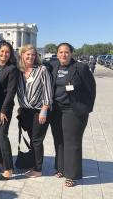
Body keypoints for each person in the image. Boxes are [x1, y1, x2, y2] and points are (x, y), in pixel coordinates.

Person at [49, 43, 96, 187]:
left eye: (67, 52)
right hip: (56, 109)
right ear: (57, 54)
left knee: (72, 142)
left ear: (71, 54)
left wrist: (86, 107)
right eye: (61, 52)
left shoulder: (80, 68)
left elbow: (91, 88)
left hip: (73, 111)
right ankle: (61, 168)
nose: (64, 55)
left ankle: (72, 175)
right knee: (59, 140)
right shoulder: (53, 66)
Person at [16, 44, 53, 178]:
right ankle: (33, 162)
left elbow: (48, 92)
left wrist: (44, 110)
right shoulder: (18, 71)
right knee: (32, 139)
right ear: (22, 55)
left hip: (39, 111)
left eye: (33, 54)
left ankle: (38, 169)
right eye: (28, 54)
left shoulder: (42, 70)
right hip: (25, 111)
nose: (31, 57)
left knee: (37, 140)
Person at [0, 41, 18, 180]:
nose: (4, 54)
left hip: (4, 108)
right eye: (2, 51)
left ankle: (8, 168)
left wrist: (3, 111)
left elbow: (11, 92)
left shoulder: (12, 69)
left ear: (10, 54)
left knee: (2, 135)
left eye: (7, 52)